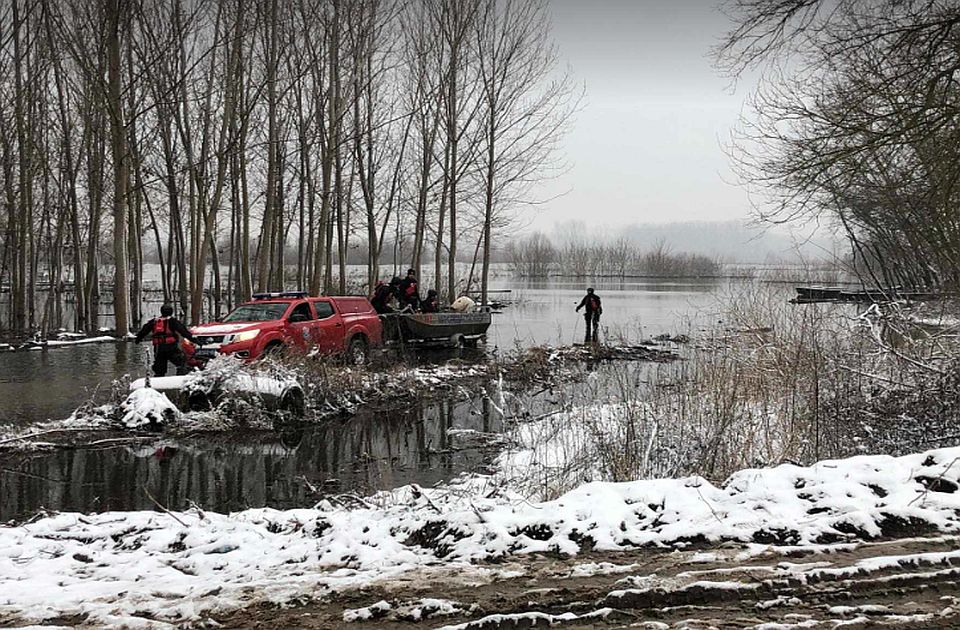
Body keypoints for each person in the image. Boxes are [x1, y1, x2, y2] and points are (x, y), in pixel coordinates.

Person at [135, 304, 200, 376]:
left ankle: (158, 381)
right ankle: (180, 379)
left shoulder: (154, 321)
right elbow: (184, 332)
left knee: (159, 368)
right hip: (171, 347)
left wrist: (137, 340)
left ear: (161, 312)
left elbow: (143, 331)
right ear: (171, 312)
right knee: (181, 362)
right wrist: (195, 341)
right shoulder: (173, 321)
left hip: (158, 348)